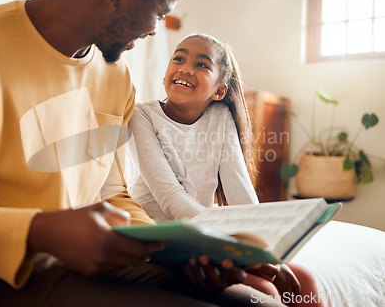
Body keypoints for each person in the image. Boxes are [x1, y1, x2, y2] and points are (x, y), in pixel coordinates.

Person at [0, 0, 289, 306]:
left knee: (261, 303)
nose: (154, 32)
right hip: (9, 272)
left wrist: (177, 250)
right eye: (159, 12)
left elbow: (112, 192)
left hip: (106, 259)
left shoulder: (116, 76)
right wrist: (39, 231)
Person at [127, 33, 325, 307]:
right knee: (263, 291)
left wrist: (263, 249)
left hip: (210, 236)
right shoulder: (141, 116)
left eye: (202, 65)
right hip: (165, 239)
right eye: (179, 58)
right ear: (165, 75)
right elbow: (171, 199)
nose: (185, 67)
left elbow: (241, 194)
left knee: (304, 281)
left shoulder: (220, 118)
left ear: (219, 91)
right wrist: (232, 244)